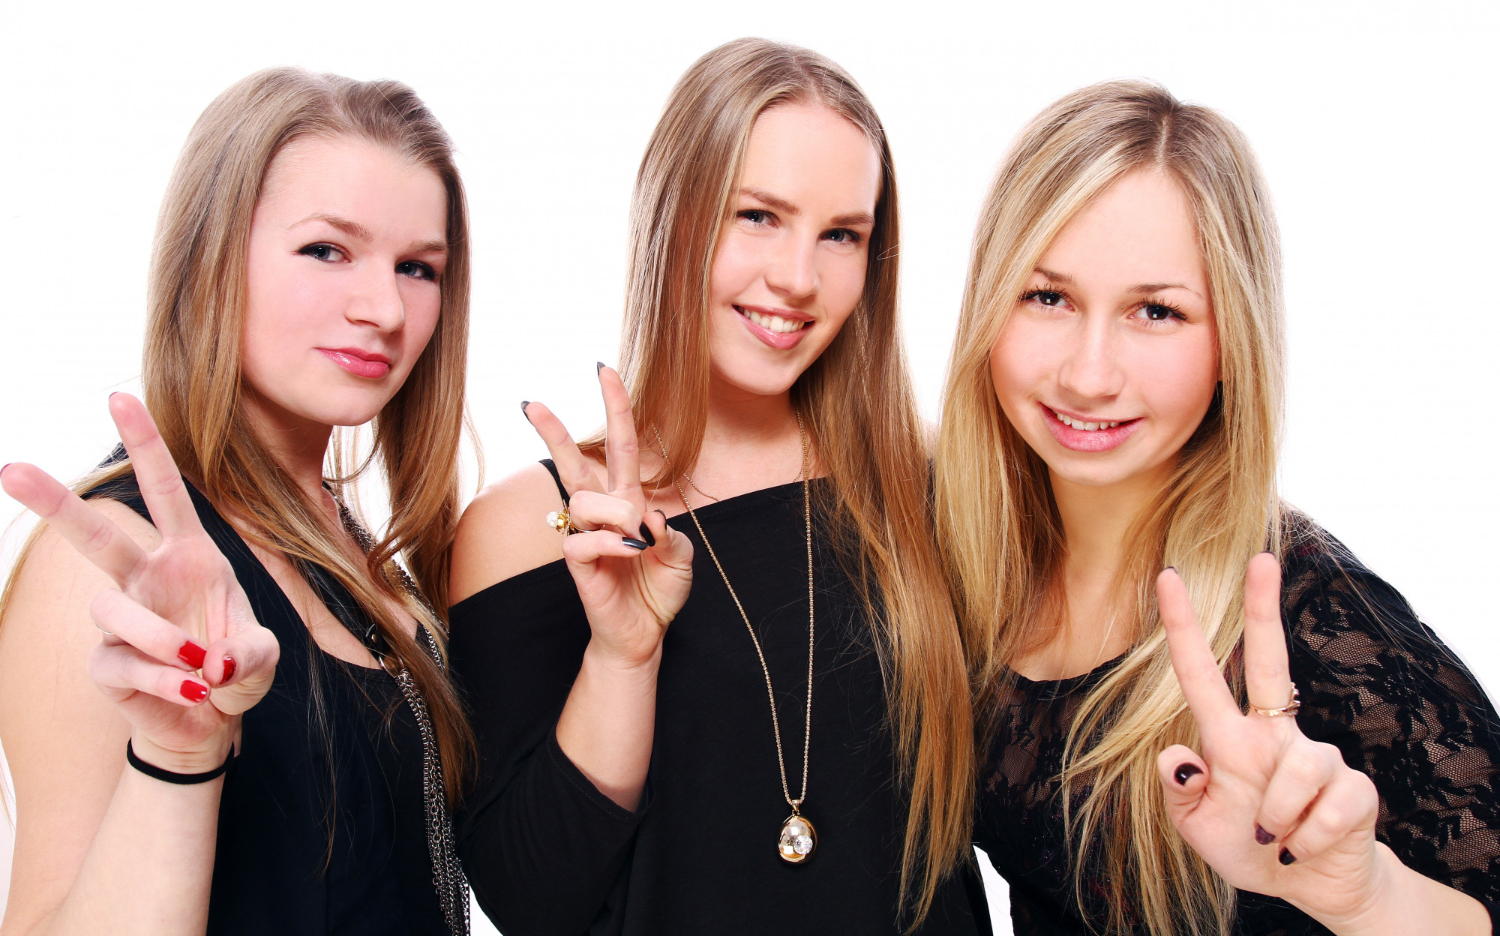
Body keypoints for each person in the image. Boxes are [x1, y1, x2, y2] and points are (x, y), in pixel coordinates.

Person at [936, 79, 1500, 935]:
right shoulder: (963, 555)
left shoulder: (1314, 614)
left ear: (1232, 342)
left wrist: (1367, 897)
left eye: (1156, 311)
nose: (1088, 373)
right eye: (1048, 297)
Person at [448, 38, 984, 935]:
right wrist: (621, 659)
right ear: (673, 215)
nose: (798, 279)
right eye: (758, 216)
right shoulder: (535, 527)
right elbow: (530, 901)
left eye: (842, 235)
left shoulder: (935, 490)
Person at [0, 69, 475, 935]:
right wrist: (176, 756)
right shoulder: (110, 566)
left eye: (417, 268)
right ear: (211, 257)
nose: (384, 309)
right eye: (326, 250)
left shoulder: (348, 540)